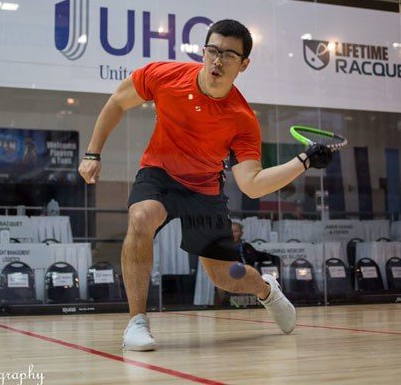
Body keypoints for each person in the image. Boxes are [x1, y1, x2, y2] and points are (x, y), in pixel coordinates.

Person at [78, 19, 332, 351]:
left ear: (244, 64)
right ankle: (137, 322)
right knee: (141, 217)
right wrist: (92, 152)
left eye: (228, 55)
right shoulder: (164, 76)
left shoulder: (241, 118)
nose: (217, 61)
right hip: (159, 174)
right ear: (203, 51)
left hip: (206, 189)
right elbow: (117, 101)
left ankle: (267, 289)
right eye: (212, 50)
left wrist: (304, 162)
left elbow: (252, 184)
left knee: (225, 277)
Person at [215, 221, 282, 306]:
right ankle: (223, 306)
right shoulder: (223, 247)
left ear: (241, 233)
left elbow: (259, 255)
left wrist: (276, 259)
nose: (233, 234)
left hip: (248, 278)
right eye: (231, 231)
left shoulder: (246, 247)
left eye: (236, 231)